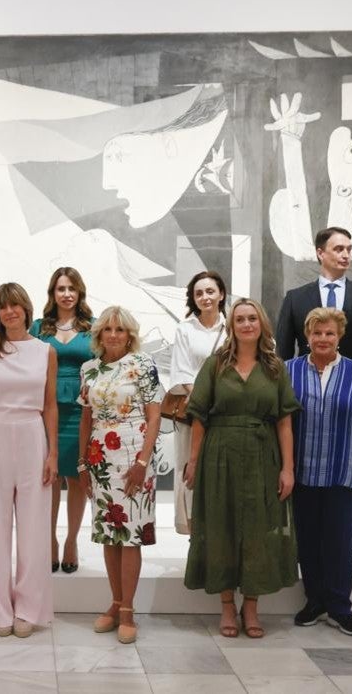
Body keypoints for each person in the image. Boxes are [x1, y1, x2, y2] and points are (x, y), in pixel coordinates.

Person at [276, 226, 352, 574]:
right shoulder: (296, 297)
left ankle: (348, 548)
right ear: (320, 252)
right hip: (305, 400)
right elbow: (282, 353)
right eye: (338, 248)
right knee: (305, 474)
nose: (345, 255)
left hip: (351, 399)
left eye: (348, 249)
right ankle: (304, 547)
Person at [183, 298, 300, 639]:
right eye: (240, 319)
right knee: (221, 528)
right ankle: (226, 606)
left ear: (262, 324)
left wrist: (288, 469)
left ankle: (251, 605)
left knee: (258, 530)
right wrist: (193, 461)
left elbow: (284, 422)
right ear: (231, 327)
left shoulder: (275, 367)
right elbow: (199, 417)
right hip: (219, 455)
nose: (247, 324)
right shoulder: (216, 364)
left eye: (252, 318)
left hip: (263, 456)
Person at [285, 308, 352, 637]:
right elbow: (281, 422)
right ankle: (315, 601)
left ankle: (341, 608)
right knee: (308, 541)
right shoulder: (289, 371)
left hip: (345, 472)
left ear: (339, 336)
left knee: (341, 543)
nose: (323, 338)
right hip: (303, 473)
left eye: (329, 333)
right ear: (307, 336)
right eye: (316, 333)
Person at [0, 283, 58, 638]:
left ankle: (29, 609)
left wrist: (52, 453)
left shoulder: (45, 351)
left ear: (26, 309)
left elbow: (50, 404)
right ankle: (0, 610)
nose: (9, 312)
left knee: (34, 528)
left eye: (15, 306)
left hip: (33, 434)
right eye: (3, 307)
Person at [77, 306, 162, 644]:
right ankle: (114, 602)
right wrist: (83, 464)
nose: (113, 335)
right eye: (107, 329)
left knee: (130, 535)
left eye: (120, 329)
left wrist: (142, 462)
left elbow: (154, 417)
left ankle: (128, 610)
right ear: (99, 334)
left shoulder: (143, 364)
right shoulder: (89, 369)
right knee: (108, 532)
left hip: (134, 456)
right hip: (100, 457)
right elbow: (86, 419)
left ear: (130, 335)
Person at [30, 267, 94, 574]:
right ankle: (50, 541)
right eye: (61, 288)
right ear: (52, 293)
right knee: (50, 477)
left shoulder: (93, 327)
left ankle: (71, 541)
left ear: (80, 293)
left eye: (72, 288)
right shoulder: (38, 328)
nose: (66, 294)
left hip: (83, 411)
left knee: (78, 478)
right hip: (46, 409)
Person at [168, 271, 227, 535]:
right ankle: (195, 536)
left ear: (221, 294)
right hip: (193, 412)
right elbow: (181, 371)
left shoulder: (232, 328)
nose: (205, 297)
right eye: (199, 293)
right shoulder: (185, 329)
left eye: (210, 291)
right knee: (190, 470)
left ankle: (220, 535)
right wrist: (204, 398)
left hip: (226, 412)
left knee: (221, 473)